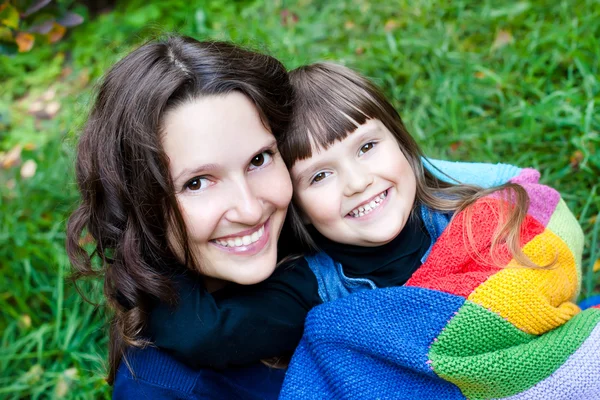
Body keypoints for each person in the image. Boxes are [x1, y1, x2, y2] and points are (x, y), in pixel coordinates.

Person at [276, 62, 600, 399]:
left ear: (401, 144)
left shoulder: (468, 217)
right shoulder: (310, 284)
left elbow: (526, 201)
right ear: (297, 208)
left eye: (367, 147)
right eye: (320, 176)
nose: (358, 183)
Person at [65, 35, 320, 399]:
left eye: (259, 160)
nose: (249, 209)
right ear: (138, 204)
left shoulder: (336, 234)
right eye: (198, 183)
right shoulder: (161, 389)